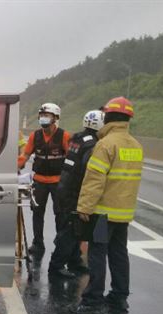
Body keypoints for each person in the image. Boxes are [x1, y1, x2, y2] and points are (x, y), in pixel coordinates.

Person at [74, 97, 143, 314]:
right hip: (123, 214)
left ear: (108, 117)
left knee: (97, 255)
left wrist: (84, 207)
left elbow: (95, 180)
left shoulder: (105, 144)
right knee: (119, 254)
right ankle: (119, 298)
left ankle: (93, 300)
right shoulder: (135, 145)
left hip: (103, 214)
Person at [48, 110, 104, 278]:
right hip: (74, 191)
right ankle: (56, 265)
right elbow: (89, 171)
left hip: (64, 187)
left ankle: (75, 261)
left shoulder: (77, 138)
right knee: (71, 231)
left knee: (76, 229)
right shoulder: (93, 145)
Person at [18, 103, 71, 255]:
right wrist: (15, 166)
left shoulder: (64, 136)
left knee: (60, 214)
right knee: (37, 213)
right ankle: (38, 244)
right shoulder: (35, 136)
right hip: (39, 181)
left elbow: (71, 159)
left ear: (55, 118)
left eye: (47, 115)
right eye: (41, 115)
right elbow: (25, 155)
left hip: (58, 182)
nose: (43, 118)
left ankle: (61, 244)